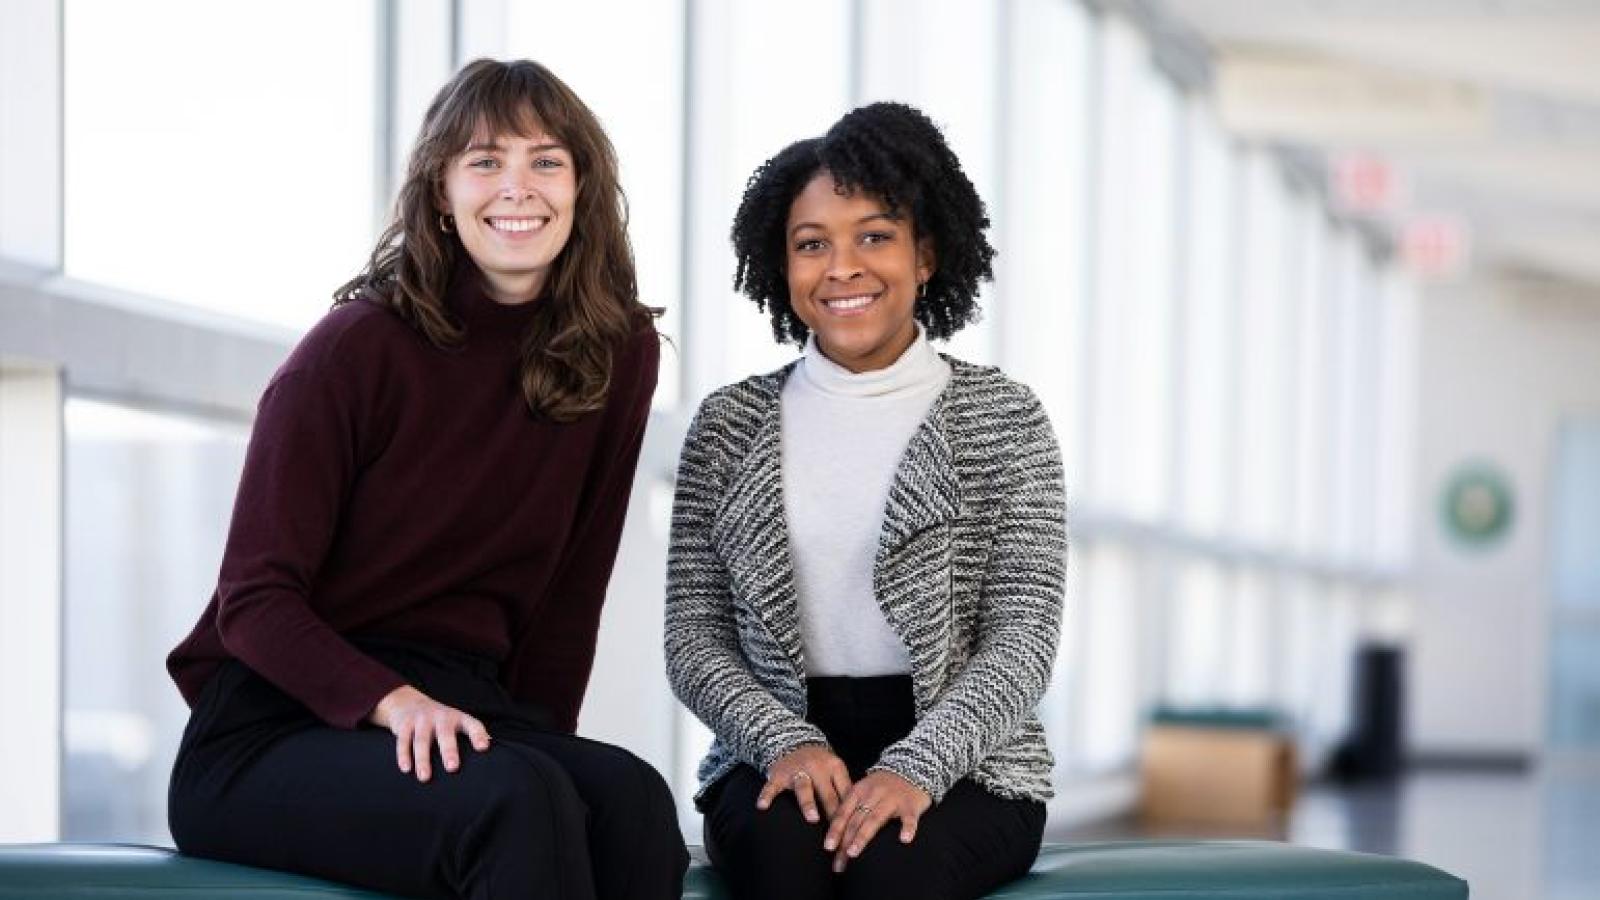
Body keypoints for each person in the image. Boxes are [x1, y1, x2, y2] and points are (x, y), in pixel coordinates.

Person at [166, 58, 687, 900]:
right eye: (485, 161)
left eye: (546, 161)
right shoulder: (354, 349)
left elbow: (567, 600)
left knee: (627, 801)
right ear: (440, 192)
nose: (517, 187)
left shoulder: (618, 355)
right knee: (517, 802)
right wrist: (396, 703)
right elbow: (254, 603)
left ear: (583, 188)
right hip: (275, 730)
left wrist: (543, 747)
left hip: (463, 713)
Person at [664, 101, 1067, 900]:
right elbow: (693, 640)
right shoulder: (728, 425)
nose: (841, 266)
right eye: (812, 244)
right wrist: (782, 741)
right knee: (786, 860)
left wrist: (918, 765)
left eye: (874, 236)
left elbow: (1022, 641)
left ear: (926, 255)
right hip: (772, 745)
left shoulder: (1006, 419)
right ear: (782, 266)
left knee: (893, 866)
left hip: (969, 757)